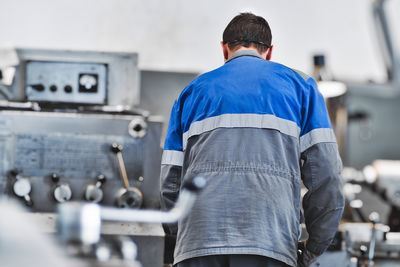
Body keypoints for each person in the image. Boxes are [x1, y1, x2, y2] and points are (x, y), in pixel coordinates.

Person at [160, 12, 344, 267]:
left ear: (224, 49)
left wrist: (180, 241)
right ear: (269, 52)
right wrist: (313, 249)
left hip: (197, 246)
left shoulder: (191, 92)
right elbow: (327, 176)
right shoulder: (301, 87)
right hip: (270, 244)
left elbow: (170, 184)